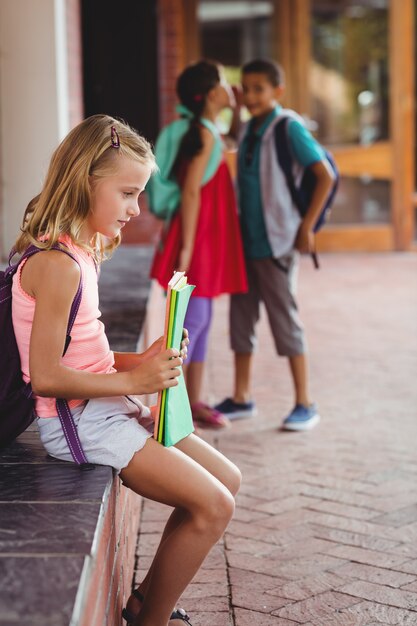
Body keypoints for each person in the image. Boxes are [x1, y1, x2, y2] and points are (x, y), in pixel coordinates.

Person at [11, 114, 241, 626]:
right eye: (128, 193)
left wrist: (146, 358)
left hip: (108, 403)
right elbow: (46, 377)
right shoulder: (56, 265)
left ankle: (144, 601)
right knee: (213, 506)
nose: (137, 209)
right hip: (78, 423)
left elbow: (88, 354)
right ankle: (150, 618)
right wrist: (135, 382)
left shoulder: (82, 252)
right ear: (85, 181)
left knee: (227, 478)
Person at [215, 59, 335, 431]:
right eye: (245, 89)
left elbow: (324, 175)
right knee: (241, 321)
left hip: (278, 240)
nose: (250, 96)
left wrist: (307, 226)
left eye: (258, 89)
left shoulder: (289, 127)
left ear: (277, 91)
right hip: (245, 243)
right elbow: (234, 138)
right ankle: (242, 396)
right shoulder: (251, 127)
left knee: (285, 320)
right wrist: (234, 108)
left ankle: (305, 402)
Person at [150, 60, 248, 429]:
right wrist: (188, 249)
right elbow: (191, 191)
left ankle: (191, 401)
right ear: (210, 95)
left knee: (201, 320)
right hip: (198, 236)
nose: (230, 90)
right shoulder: (204, 134)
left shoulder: (208, 129)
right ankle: (172, 406)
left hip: (205, 234)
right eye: (224, 83)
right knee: (194, 319)